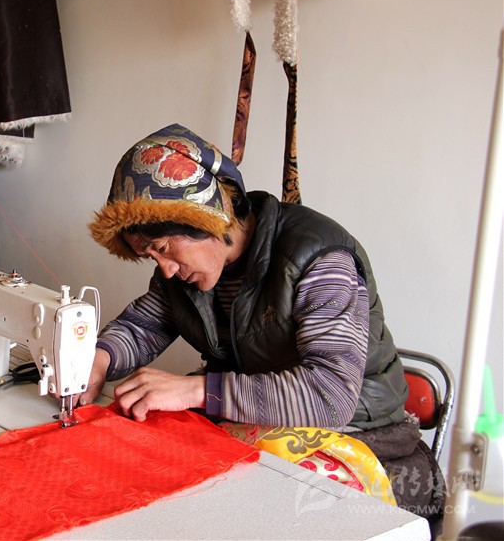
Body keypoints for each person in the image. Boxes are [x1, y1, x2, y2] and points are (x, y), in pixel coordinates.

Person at [81, 123, 444, 531]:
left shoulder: (318, 258)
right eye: (152, 256)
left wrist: (196, 390)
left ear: (206, 216)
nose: (164, 269)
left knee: (246, 514)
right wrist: (98, 360)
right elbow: (144, 325)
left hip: (364, 438)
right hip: (255, 424)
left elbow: (330, 395)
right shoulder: (182, 276)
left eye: (164, 248)